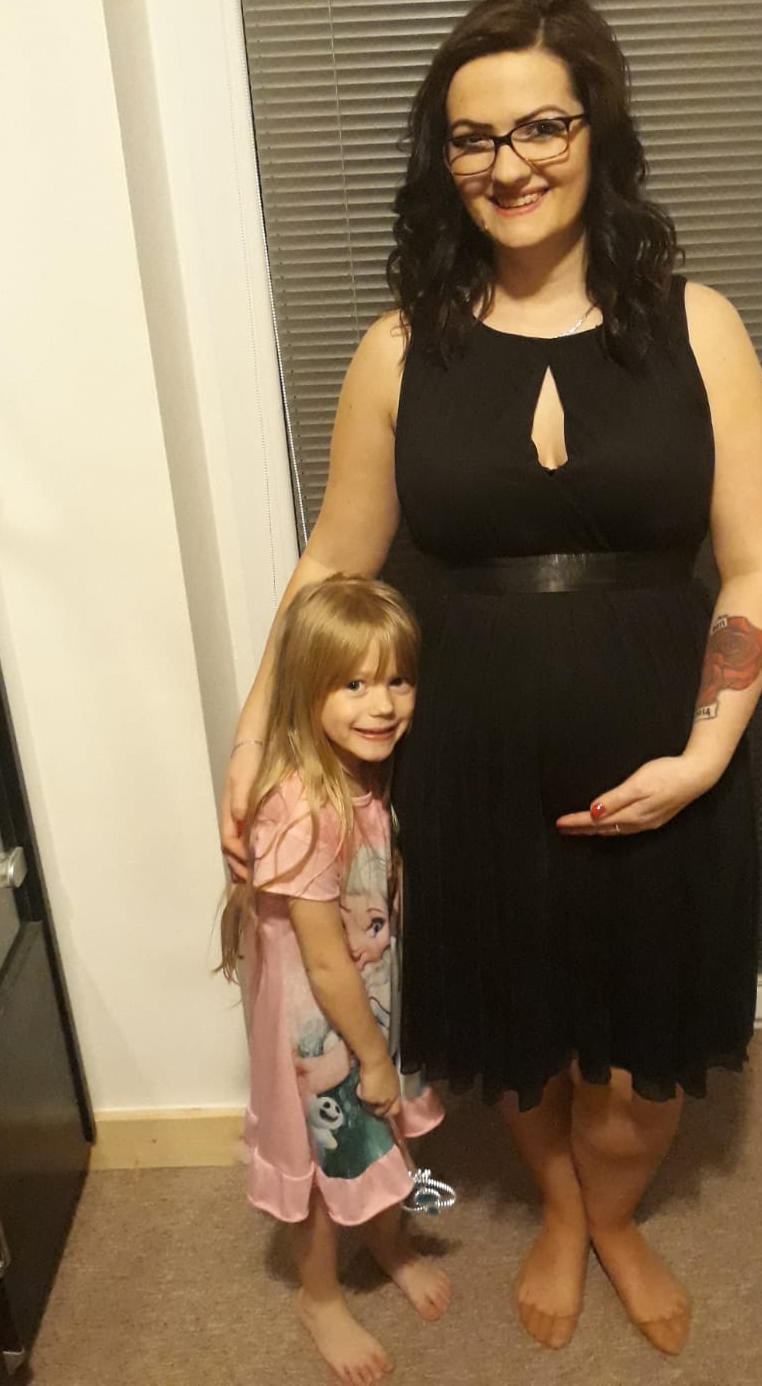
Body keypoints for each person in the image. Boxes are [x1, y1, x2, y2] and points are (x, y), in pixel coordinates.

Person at [221, 0, 762, 1358]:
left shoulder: (700, 328)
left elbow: (760, 557)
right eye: (474, 137)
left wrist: (707, 751)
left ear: (598, 132)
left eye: (543, 126)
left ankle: (616, 1210)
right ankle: (562, 1209)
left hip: (666, 746)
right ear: (446, 159)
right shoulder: (400, 348)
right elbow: (334, 560)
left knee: (642, 1052)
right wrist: (253, 741)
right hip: (465, 755)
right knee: (524, 1029)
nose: (511, 163)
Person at [220, 576, 448, 1385]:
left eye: (397, 680)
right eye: (353, 684)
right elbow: (321, 961)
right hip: (315, 1028)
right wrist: (373, 1057)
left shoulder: (361, 774)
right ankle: (318, 1296)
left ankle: (385, 1240)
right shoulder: (308, 809)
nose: (381, 704)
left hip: (363, 998)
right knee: (323, 1161)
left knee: (380, 1130)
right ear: (306, 690)